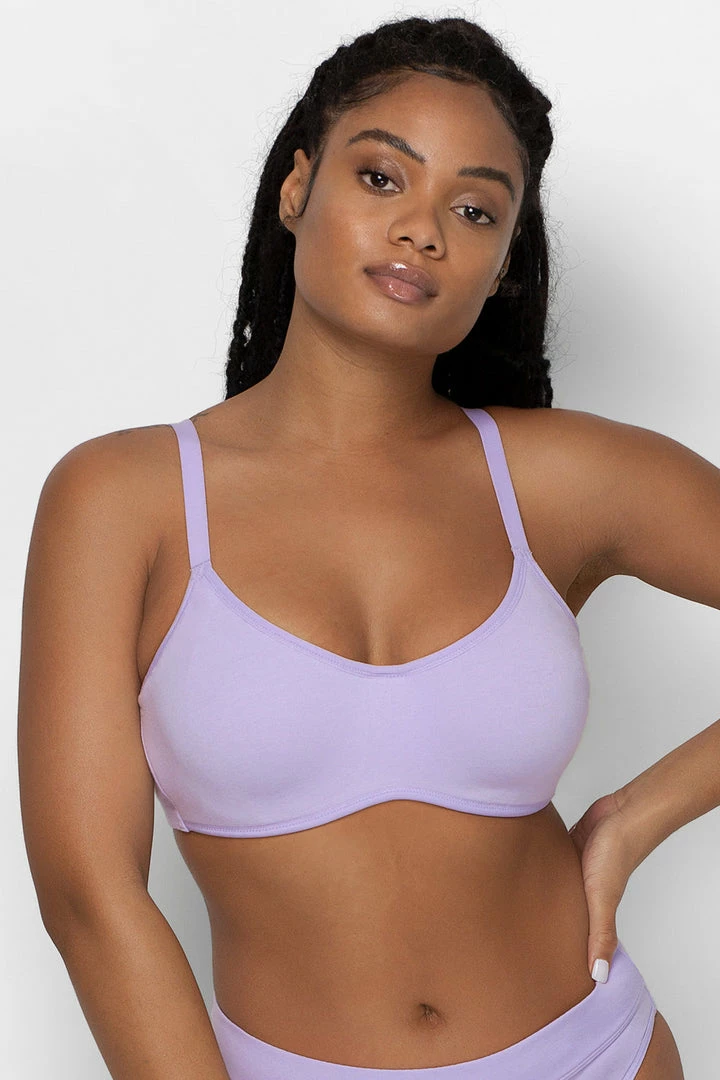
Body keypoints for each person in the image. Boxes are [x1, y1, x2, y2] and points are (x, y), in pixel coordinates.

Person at [24, 12, 720, 1078]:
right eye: (383, 178)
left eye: (474, 209)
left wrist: (639, 813)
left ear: (503, 264)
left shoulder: (563, 478)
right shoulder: (123, 497)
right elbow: (89, 896)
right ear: (297, 188)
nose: (422, 231)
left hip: (596, 1053)